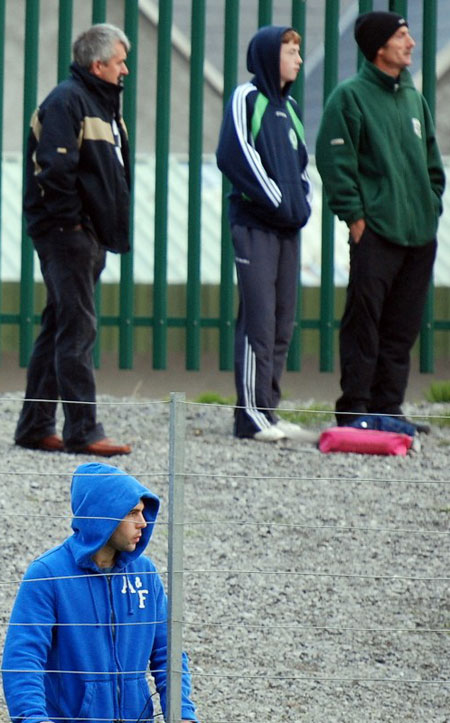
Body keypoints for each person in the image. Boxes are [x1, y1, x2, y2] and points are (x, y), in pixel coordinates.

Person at [315, 11, 445, 431]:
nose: (411, 43)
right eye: (402, 36)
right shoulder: (349, 97)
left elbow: (432, 164)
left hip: (418, 235)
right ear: (379, 47)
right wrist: (354, 218)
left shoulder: (412, 97)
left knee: (401, 329)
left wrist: (430, 205)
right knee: (364, 324)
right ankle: (355, 410)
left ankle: (389, 410)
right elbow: (335, 161)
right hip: (376, 234)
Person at [14, 24, 133, 456]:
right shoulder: (68, 101)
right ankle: (83, 429)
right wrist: (74, 226)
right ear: (97, 64)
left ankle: (35, 425)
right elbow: (54, 170)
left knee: (61, 323)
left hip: (83, 235)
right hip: (67, 235)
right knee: (79, 327)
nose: (126, 69)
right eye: (120, 62)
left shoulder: (99, 104)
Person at [2, 462, 198, 723]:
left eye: (143, 512)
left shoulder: (145, 573)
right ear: (102, 517)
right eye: (132, 513)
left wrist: (182, 714)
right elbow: (23, 659)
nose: (143, 522)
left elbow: (168, 653)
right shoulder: (47, 574)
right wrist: (33, 719)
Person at [216, 26, 315, 443]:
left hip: (287, 230)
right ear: (268, 55)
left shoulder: (290, 108)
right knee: (258, 320)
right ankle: (250, 417)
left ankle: (269, 411)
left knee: (281, 323)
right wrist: (278, 202)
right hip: (256, 225)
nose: (298, 58)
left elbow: (302, 167)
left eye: (299, 50)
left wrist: (300, 206)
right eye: (290, 50)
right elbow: (234, 153)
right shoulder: (247, 98)